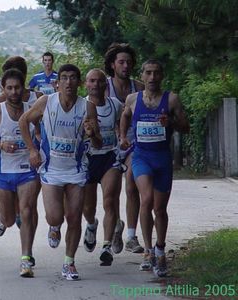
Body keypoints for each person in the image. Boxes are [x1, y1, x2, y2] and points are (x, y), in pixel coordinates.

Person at [19, 64, 102, 281]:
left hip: (76, 169)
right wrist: (32, 150)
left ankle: (69, 263)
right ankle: (54, 226)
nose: (68, 82)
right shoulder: (47, 102)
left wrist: (92, 134)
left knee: (74, 217)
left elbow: (99, 142)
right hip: (51, 169)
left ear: (79, 83)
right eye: (64, 78)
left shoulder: (88, 106)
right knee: (55, 216)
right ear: (57, 82)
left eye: (73, 78)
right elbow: (23, 121)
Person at [119, 59, 190, 277]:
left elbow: (186, 127)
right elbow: (124, 115)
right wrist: (122, 137)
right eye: (148, 73)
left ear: (162, 76)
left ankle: (160, 249)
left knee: (159, 209)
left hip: (162, 159)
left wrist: (170, 123)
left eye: (156, 73)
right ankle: (148, 252)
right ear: (141, 75)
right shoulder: (133, 98)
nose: (152, 78)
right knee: (146, 199)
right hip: (141, 157)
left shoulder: (171, 99)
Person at [0, 68, 40, 278]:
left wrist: (36, 147)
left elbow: (41, 133)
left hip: (27, 171)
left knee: (27, 211)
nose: (13, 92)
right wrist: (0, 145)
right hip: (3, 172)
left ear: (23, 89)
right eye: (9, 88)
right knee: (10, 219)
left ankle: (25, 259)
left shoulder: (32, 109)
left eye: (17, 87)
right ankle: (1, 219)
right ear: (3, 89)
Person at [104, 43, 145, 254]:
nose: (126, 66)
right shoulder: (103, 86)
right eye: (121, 62)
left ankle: (131, 236)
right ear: (112, 65)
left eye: (129, 62)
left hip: (132, 143)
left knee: (131, 184)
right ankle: (115, 224)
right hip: (108, 145)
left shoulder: (139, 87)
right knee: (109, 195)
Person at [82, 69, 124, 267]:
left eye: (99, 81)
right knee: (88, 207)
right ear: (86, 84)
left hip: (110, 157)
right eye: (92, 81)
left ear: (105, 84)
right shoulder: (81, 106)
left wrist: (123, 139)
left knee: (110, 200)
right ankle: (91, 225)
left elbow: (124, 125)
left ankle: (106, 246)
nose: (96, 85)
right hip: (89, 159)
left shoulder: (115, 105)